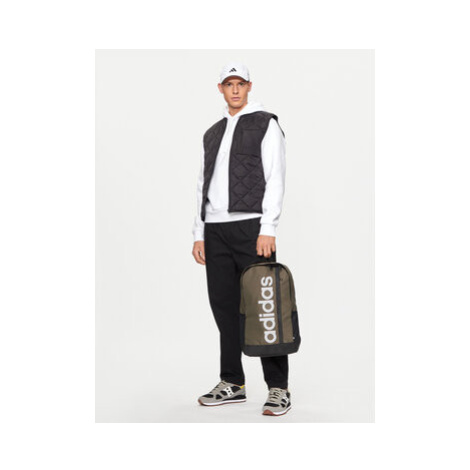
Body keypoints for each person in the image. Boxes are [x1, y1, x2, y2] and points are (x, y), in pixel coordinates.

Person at [191, 62, 291, 416]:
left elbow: (276, 176)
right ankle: (233, 382)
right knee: (224, 309)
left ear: (249, 86)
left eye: (240, 83)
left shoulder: (265, 123)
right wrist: (199, 232)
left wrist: (268, 228)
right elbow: (202, 185)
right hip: (215, 231)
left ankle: (278, 387)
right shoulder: (212, 132)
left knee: (265, 309)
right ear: (220, 88)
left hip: (251, 228)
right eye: (228, 84)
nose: (234, 90)